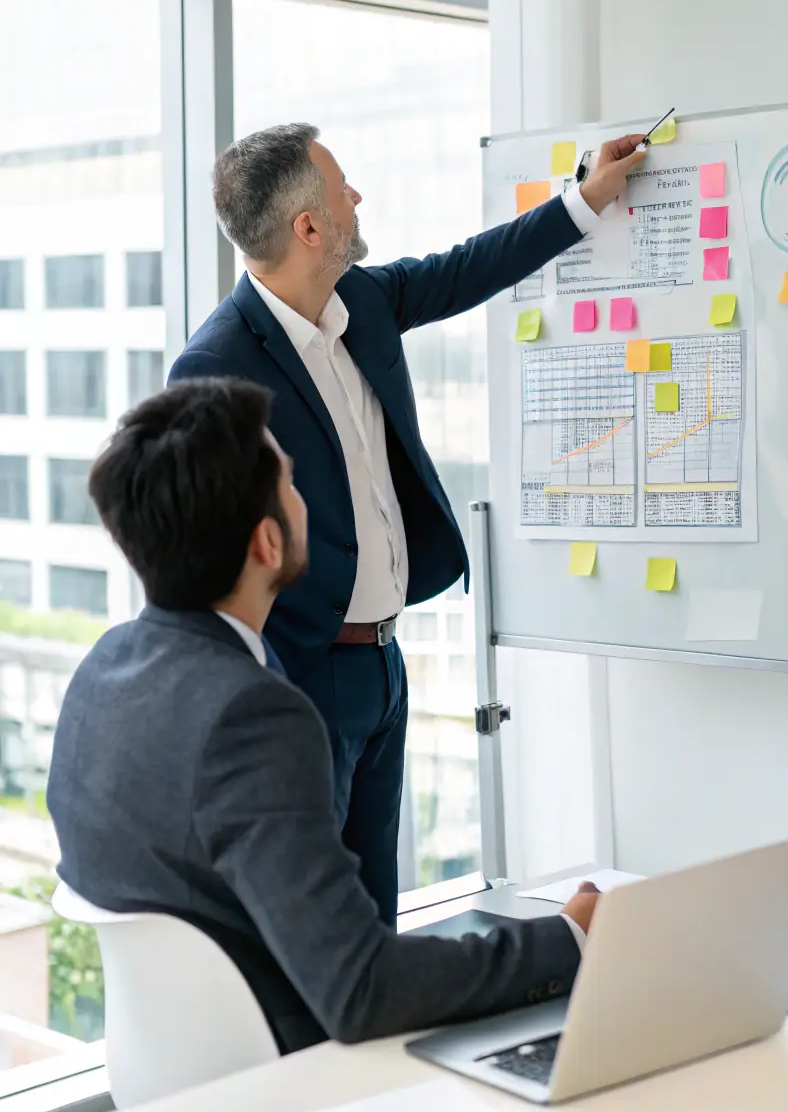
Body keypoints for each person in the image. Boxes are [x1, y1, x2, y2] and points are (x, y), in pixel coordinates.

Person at [168, 123, 645, 926]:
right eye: (342, 188)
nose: (357, 197)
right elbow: (200, 559)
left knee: (375, 913)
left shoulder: (359, 300)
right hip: (303, 671)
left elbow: (467, 269)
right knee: (316, 924)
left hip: (384, 664)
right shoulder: (216, 365)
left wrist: (585, 200)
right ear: (308, 227)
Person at [46, 378, 599, 1052]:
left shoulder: (101, 674)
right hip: (294, 1079)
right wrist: (568, 939)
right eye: (293, 482)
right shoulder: (252, 716)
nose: (306, 499)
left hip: (167, 1081)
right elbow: (361, 987)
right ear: (267, 544)